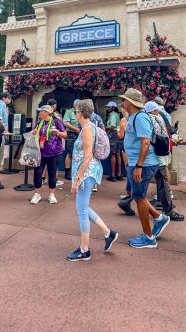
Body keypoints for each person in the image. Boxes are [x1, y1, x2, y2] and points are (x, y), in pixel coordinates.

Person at [66, 99, 119, 261]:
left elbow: (87, 155)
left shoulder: (88, 129)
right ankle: (108, 233)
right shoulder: (88, 127)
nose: (75, 114)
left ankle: (84, 249)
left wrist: (77, 179)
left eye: (76, 111)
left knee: (81, 211)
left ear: (80, 113)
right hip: (88, 173)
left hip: (86, 174)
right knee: (83, 208)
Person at [118, 88, 170, 248]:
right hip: (138, 163)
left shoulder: (140, 117)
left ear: (130, 102)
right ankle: (159, 218)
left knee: (139, 198)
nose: (122, 102)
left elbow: (145, 142)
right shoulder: (134, 117)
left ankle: (148, 238)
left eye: (124, 100)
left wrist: (139, 166)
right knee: (138, 195)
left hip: (143, 164)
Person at [145, 101, 184, 221]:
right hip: (156, 154)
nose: (158, 111)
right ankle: (169, 211)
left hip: (153, 154)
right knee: (162, 181)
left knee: (144, 181)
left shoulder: (154, 118)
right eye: (156, 109)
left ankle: (126, 201)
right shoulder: (156, 118)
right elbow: (163, 135)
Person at [31, 105, 66, 204]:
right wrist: (34, 132)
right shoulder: (39, 122)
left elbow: (64, 134)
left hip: (54, 152)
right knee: (37, 173)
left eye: (41, 111)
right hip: (40, 152)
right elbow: (33, 132)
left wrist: (57, 132)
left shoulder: (57, 121)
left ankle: (51, 194)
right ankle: (37, 194)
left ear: (46, 112)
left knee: (52, 174)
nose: (39, 113)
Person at [62, 99, 81, 181]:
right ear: (73, 104)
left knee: (79, 153)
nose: (77, 105)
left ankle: (76, 172)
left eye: (79, 104)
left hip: (80, 134)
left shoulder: (82, 112)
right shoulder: (69, 112)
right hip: (71, 134)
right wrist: (76, 129)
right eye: (76, 104)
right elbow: (65, 123)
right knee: (70, 153)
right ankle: (67, 172)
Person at [105, 101, 122, 181]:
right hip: (117, 135)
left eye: (109, 107)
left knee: (112, 154)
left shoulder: (112, 115)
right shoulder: (117, 115)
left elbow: (112, 127)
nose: (108, 108)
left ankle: (113, 175)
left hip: (113, 134)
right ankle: (119, 174)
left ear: (113, 108)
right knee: (118, 154)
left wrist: (104, 127)